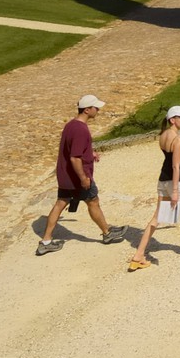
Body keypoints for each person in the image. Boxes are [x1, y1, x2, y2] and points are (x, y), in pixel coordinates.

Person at [127, 104, 180, 271]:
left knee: (156, 218)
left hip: (163, 181)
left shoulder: (164, 135)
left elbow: (178, 150)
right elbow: (176, 165)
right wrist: (175, 192)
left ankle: (138, 256)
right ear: (172, 120)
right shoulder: (178, 140)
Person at [37, 94, 127, 255]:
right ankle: (107, 233)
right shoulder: (81, 130)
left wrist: (90, 153)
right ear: (87, 110)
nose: (98, 110)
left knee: (60, 203)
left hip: (65, 176)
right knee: (93, 201)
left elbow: (74, 149)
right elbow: (74, 157)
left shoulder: (71, 125)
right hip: (77, 177)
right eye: (95, 108)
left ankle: (46, 240)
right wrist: (83, 178)